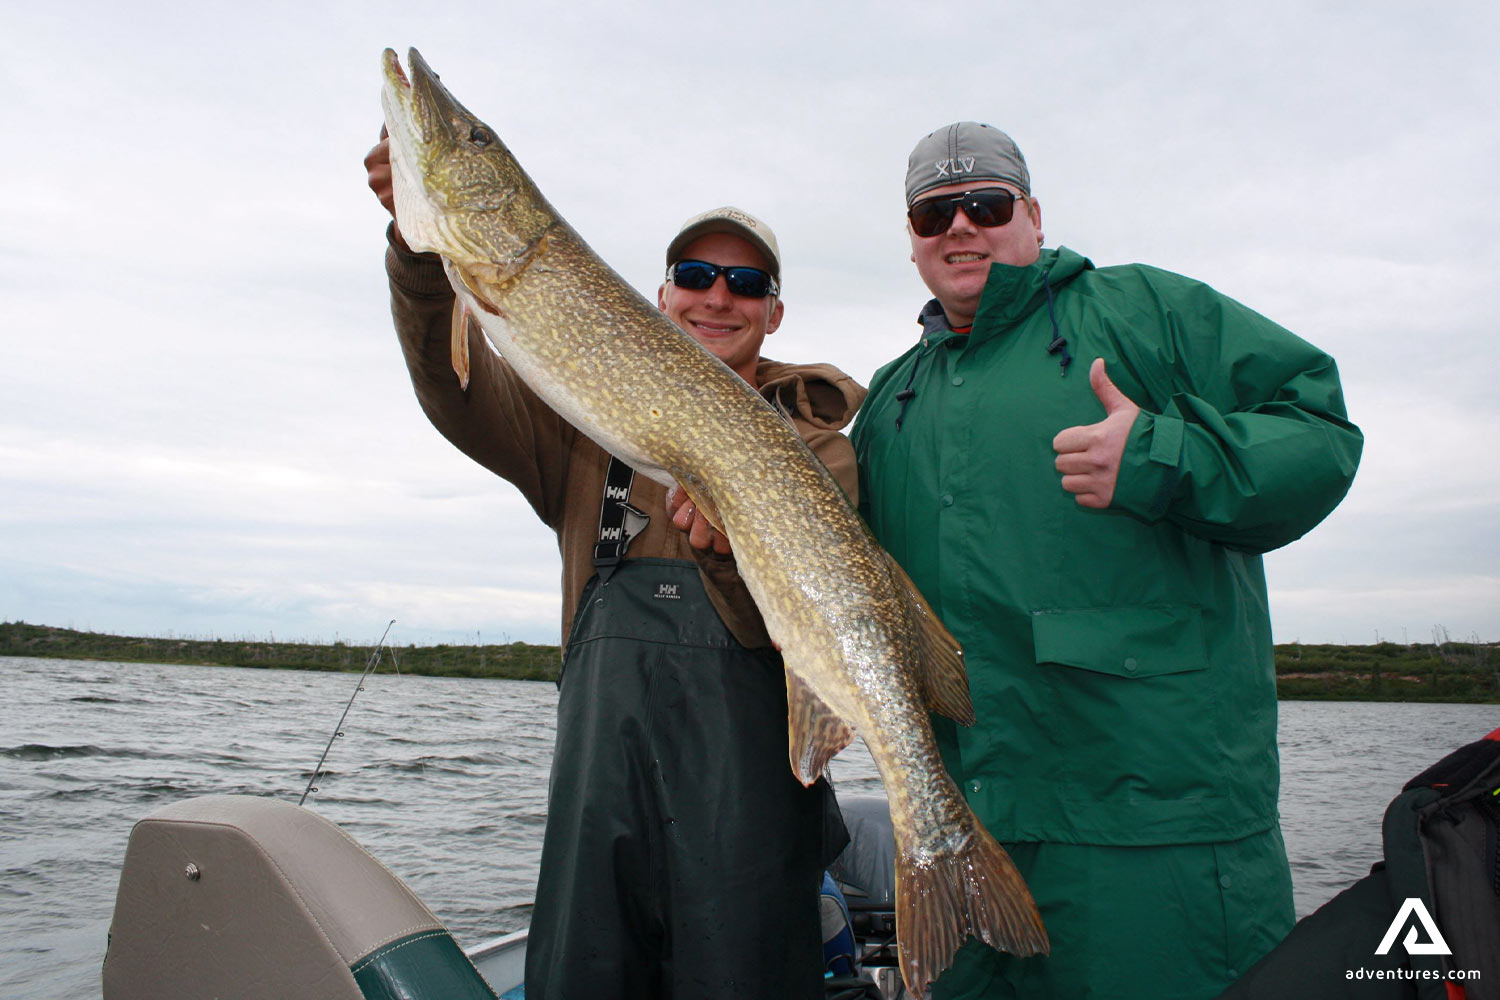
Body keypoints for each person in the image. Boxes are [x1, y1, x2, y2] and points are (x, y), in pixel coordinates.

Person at [850, 122, 1363, 1000]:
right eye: (935, 213)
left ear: (1034, 215)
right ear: (912, 241)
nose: (960, 227)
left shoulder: (1146, 313)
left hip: (1154, 842)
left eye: (986, 203)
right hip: (960, 843)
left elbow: (1321, 433)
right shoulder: (892, 396)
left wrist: (1166, 456)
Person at [365, 138, 865, 998]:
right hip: (603, 820)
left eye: (745, 284)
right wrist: (419, 253)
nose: (719, 296)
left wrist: (731, 560)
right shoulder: (580, 426)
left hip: (751, 829)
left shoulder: (816, 447)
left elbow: (810, 639)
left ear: (774, 313)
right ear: (664, 291)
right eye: (697, 274)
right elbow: (452, 390)